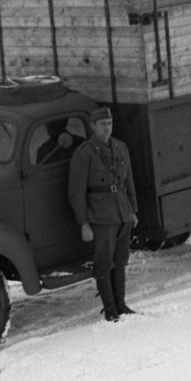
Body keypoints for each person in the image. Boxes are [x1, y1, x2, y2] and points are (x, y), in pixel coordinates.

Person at [68, 107, 139, 321]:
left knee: (121, 259)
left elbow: (129, 182)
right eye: (102, 124)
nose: (107, 128)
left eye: (109, 123)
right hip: (101, 215)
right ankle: (110, 309)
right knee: (104, 262)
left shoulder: (120, 147)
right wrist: (84, 223)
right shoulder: (84, 153)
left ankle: (121, 304)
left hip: (122, 212)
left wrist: (132, 210)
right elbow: (76, 192)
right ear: (92, 126)